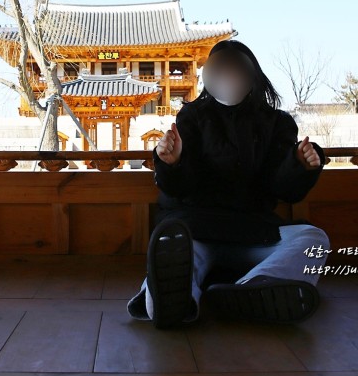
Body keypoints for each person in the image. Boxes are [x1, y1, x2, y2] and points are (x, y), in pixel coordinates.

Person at [127, 39, 330, 328]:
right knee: (177, 252)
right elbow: (178, 188)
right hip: (198, 230)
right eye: (220, 70)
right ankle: (171, 302)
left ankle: (252, 290)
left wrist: (299, 166)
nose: (228, 77)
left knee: (315, 240)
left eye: (236, 70)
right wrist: (172, 162)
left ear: (253, 75)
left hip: (255, 234)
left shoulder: (278, 123)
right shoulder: (193, 116)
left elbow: (284, 190)